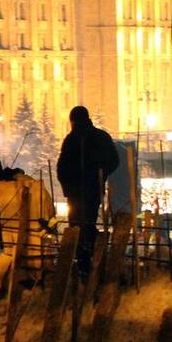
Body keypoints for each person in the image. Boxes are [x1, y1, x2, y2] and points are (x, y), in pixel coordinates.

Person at [57, 106, 119, 273]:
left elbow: (61, 167)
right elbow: (114, 161)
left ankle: (82, 257)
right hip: (93, 189)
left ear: (73, 121)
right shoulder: (101, 137)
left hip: (76, 192)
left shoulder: (71, 139)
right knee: (89, 220)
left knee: (77, 223)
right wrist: (102, 174)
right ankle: (89, 253)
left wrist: (67, 187)